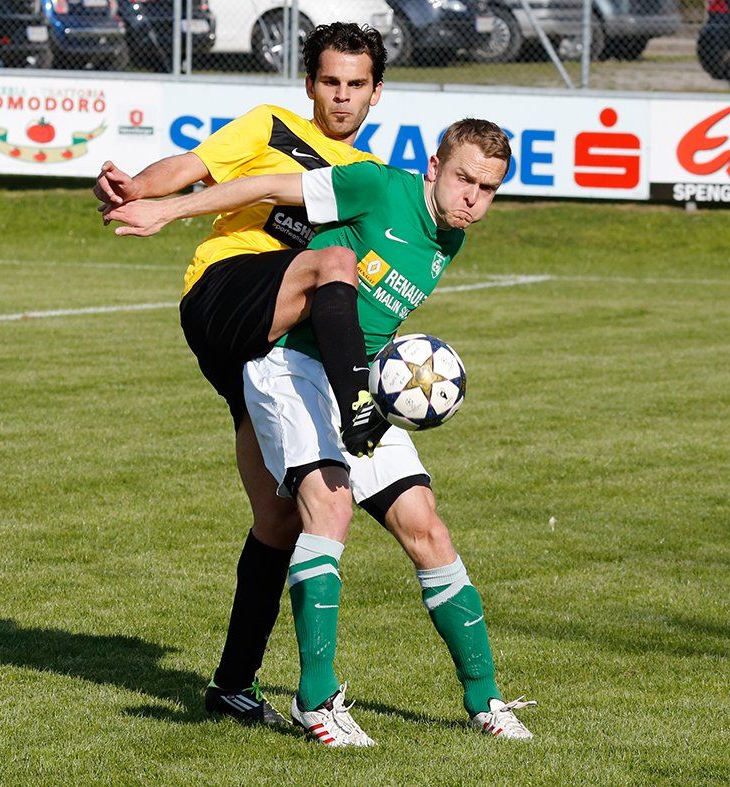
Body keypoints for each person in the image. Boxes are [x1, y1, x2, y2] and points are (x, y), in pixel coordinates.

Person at [104, 120, 537, 746]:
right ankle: (317, 702)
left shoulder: (451, 238)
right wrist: (167, 209)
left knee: (428, 527)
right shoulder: (377, 186)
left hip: (361, 378)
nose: (472, 197)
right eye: (464, 178)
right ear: (434, 166)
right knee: (329, 509)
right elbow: (266, 185)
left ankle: (485, 699)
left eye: (487, 188)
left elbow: (373, 317)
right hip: (291, 369)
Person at [95, 22, 391, 726]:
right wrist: (137, 187)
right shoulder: (273, 125)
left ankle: (231, 686)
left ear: (376, 93)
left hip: (266, 347)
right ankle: (359, 407)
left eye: (355, 85)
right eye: (330, 81)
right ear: (309, 83)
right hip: (224, 291)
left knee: (278, 518)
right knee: (333, 262)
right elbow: (193, 165)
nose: (341, 96)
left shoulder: (369, 177)